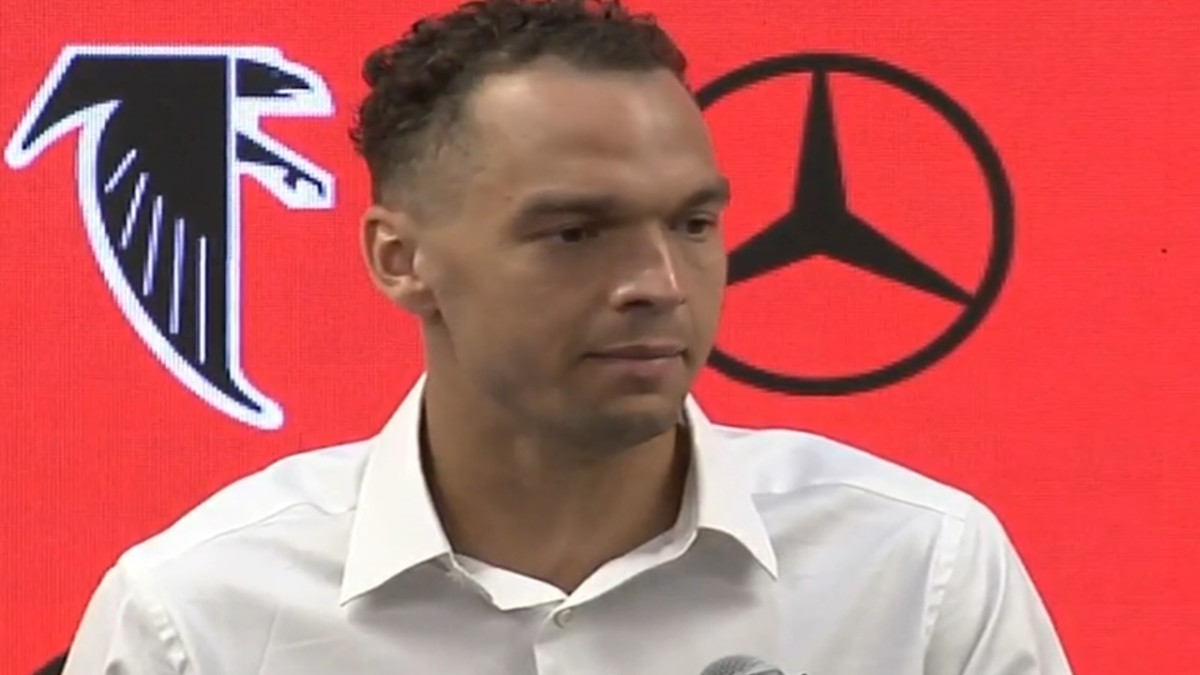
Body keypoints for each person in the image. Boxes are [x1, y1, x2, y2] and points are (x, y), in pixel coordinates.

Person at [61, 0, 1074, 673]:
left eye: (692, 224)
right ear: (399, 259)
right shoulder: (195, 618)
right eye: (575, 232)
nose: (659, 285)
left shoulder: (920, 573)